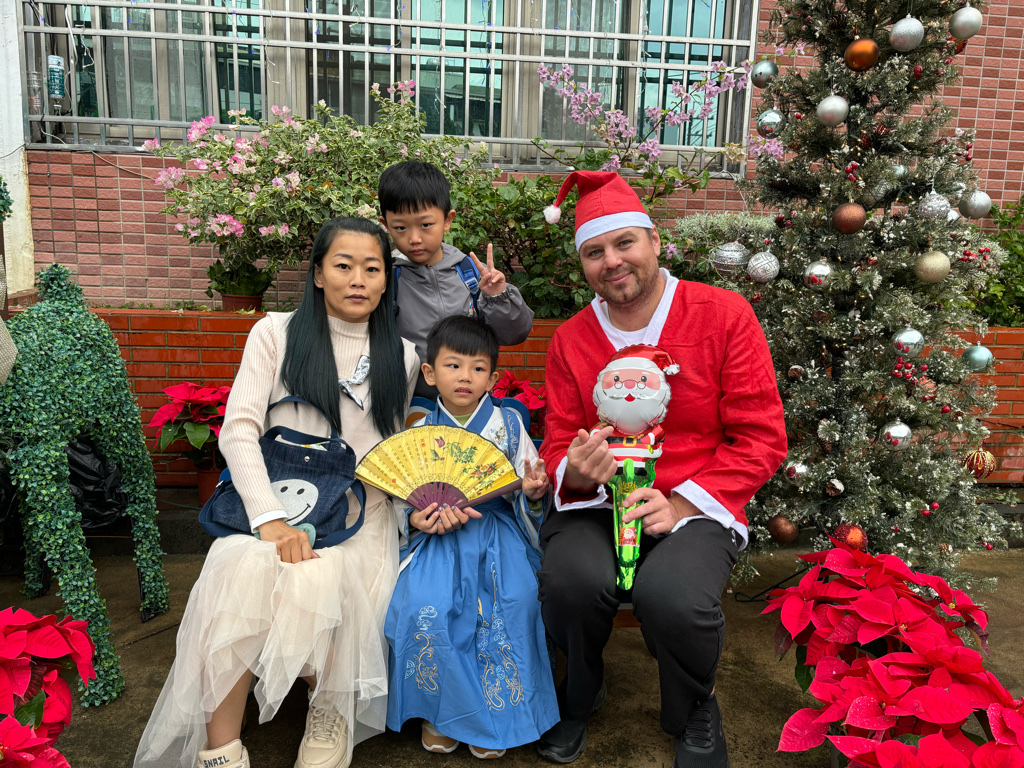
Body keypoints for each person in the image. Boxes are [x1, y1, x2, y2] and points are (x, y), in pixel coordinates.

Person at [133, 218, 421, 768]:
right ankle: (220, 749)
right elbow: (239, 429)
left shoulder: (402, 355)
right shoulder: (275, 333)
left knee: (324, 574)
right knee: (238, 566)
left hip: (359, 513)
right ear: (317, 274)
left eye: (372, 268)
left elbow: (388, 450)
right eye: (343, 265)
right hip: (278, 498)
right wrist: (268, 517)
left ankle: (327, 709)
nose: (358, 279)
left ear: (387, 279)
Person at [535, 171, 787, 767]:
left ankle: (692, 705)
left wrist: (680, 505)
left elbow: (761, 436)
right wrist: (576, 471)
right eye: (594, 252)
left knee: (674, 597)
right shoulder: (571, 339)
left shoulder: (723, 314)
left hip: (694, 503)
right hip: (599, 505)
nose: (612, 262)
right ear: (583, 264)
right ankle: (579, 693)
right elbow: (557, 443)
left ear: (653, 240)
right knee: (569, 583)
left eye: (624, 243)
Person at [384, 315, 560, 759]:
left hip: (498, 534)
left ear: (493, 378)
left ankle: (498, 716)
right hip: (438, 540)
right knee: (425, 605)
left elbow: (529, 483)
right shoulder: (418, 432)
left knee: (514, 604)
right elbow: (401, 500)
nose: (465, 376)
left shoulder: (510, 427)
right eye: (453, 365)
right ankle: (440, 715)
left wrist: (533, 492)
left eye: (478, 368)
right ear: (430, 373)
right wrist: (418, 518)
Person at [377, 160, 535, 398]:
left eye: (426, 224)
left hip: (468, 404)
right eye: (400, 228)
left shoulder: (468, 274)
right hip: (409, 406)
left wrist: (498, 298)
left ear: (448, 220)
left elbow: (515, 334)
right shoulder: (386, 279)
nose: (414, 238)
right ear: (386, 225)